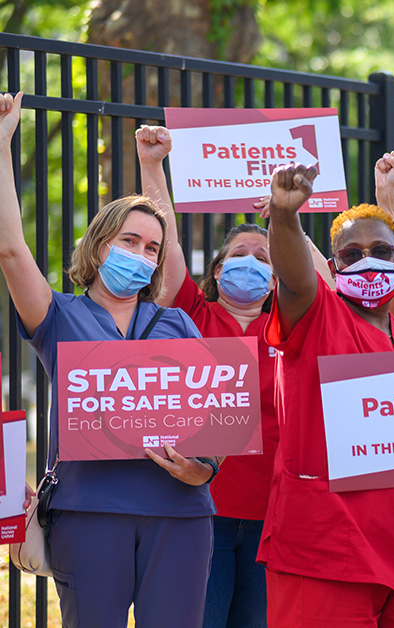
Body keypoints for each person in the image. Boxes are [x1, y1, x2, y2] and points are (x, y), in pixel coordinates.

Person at [0, 92, 217, 627]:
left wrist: (202, 468)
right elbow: (9, 249)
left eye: (152, 248)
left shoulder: (177, 323)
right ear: (99, 247)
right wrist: (2, 143)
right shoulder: (58, 316)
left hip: (182, 514)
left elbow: (217, 412)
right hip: (90, 515)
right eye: (129, 240)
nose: (142, 255)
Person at [260, 163, 394, 627]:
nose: (366, 260)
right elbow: (294, 277)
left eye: (380, 250)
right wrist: (285, 215)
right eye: (351, 254)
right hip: (328, 557)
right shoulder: (317, 318)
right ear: (333, 268)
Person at [136, 124, 287, 628]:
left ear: (275, 279)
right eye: (239, 256)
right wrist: (153, 164)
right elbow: (170, 243)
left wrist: (286, 214)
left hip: (274, 515)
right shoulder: (192, 314)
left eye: (263, 259)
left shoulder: (293, 329)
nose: (249, 263)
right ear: (218, 272)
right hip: (200, 506)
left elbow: (323, 284)